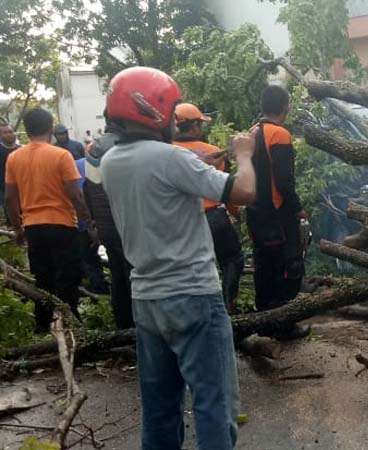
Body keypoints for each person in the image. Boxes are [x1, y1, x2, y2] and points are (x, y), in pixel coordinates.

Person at [100, 66, 256, 450]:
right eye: (169, 112)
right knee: (213, 404)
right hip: (193, 296)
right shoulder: (170, 159)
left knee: (159, 407)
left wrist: (201, 166)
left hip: (148, 299)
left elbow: (163, 184)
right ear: (154, 112)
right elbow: (245, 191)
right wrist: (244, 154)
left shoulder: (111, 163)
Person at [5, 108, 95, 331]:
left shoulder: (14, 158)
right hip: (62, 224)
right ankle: (71, 321)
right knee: (68, 273)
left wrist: (18, 228)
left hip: (33, 226)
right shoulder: (61, 155)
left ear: (25, 130)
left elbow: (9, 198)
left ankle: (43, 324)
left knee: (42, 275)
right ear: (51, 128)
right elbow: (75, 195)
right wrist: (89, 224)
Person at [172, 102, 244, 313]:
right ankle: (227, 303)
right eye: (200, 125)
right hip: (214, 216)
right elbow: (227, 191)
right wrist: (235, 214)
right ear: (194, 126)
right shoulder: (214, 152)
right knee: (232, 258)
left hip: (182, 222)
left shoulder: (167, 152)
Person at [248, 86, 308, 313]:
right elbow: (284, 179)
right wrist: (298, 208)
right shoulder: (280, 135)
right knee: (286, 267)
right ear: (285, 106)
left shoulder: (252, 131)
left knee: (263, 268)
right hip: (277, 213)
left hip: (256, 211)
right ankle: (282, 323)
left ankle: (262, 318)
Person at [84, 118, 134, 329]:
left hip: (106, 226)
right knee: (135, 276)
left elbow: (88, 188)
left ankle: (123, 325)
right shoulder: (123, 147)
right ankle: (140, 326)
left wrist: (94, 222)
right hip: (125, 223)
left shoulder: (92, 148)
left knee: (118, 276)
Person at [74, 154, 109, 295]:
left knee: (88, 258)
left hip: (82, 222)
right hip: (102, 221)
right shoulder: (106, 163)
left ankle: (99, 291)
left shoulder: (76, 165)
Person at [0, 123, 20, 220]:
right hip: (5, 189)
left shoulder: (21, 149)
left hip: (23, 188)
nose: (9, 134)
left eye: (11, 131)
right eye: (5, 132)